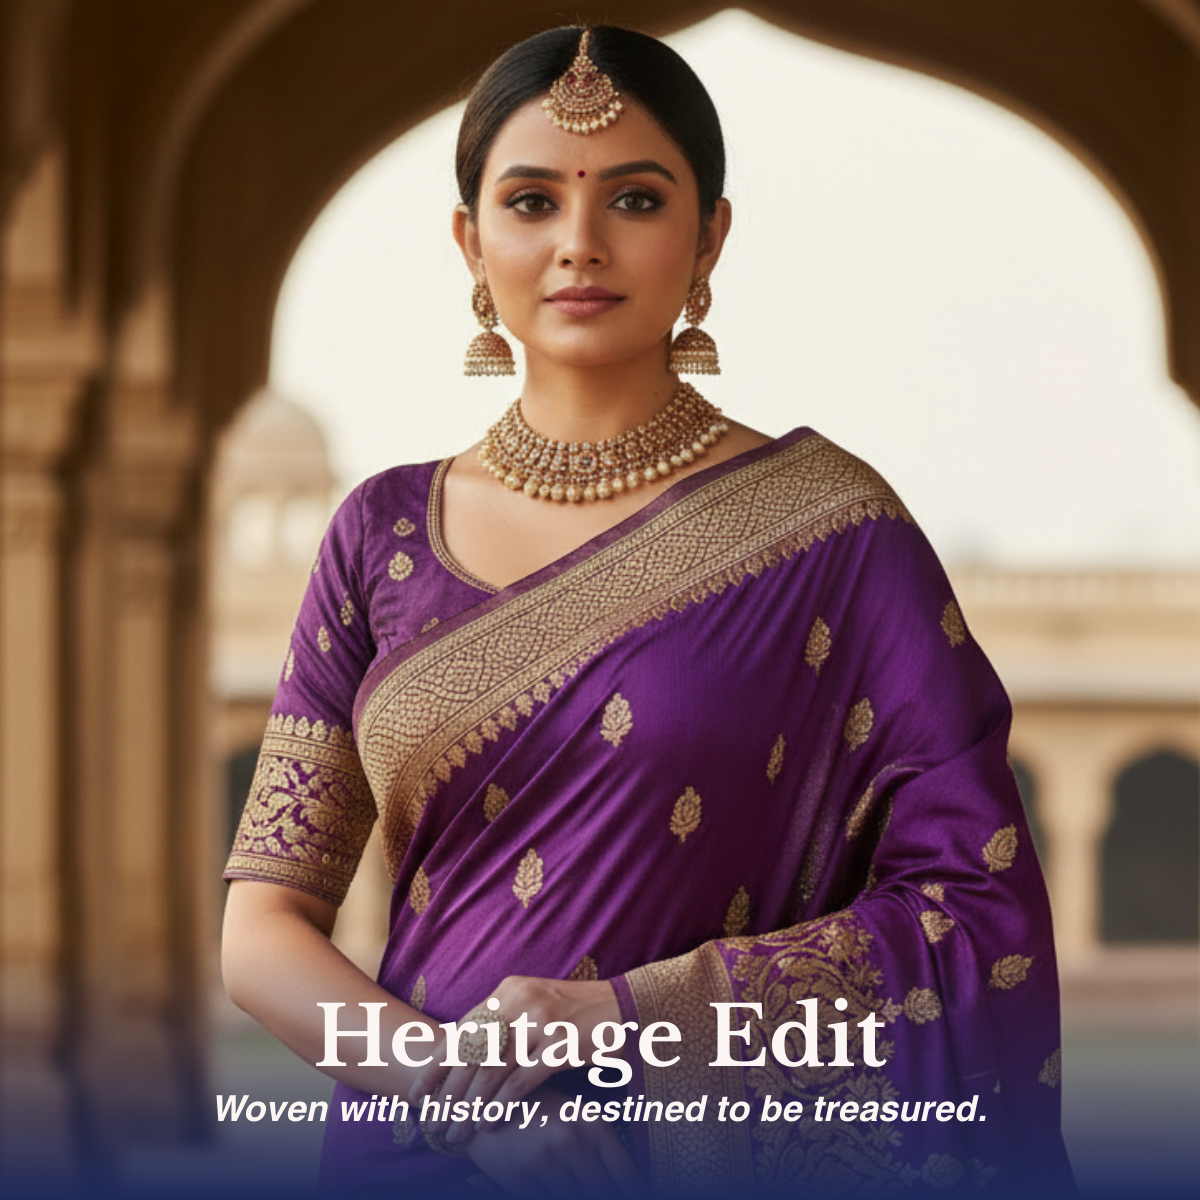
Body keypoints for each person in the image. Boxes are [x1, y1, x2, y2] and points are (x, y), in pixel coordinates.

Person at [222, 24, 1075, 1196]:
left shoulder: (833, 532)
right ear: (470, 241)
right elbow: (261, 934)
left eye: (633, 197)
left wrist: (629, 1014)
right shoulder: (380, 533)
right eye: (530, 202)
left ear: (710, 233)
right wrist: (454, 1100)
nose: (579, 245)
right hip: (419, 1148)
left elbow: (973, 910)